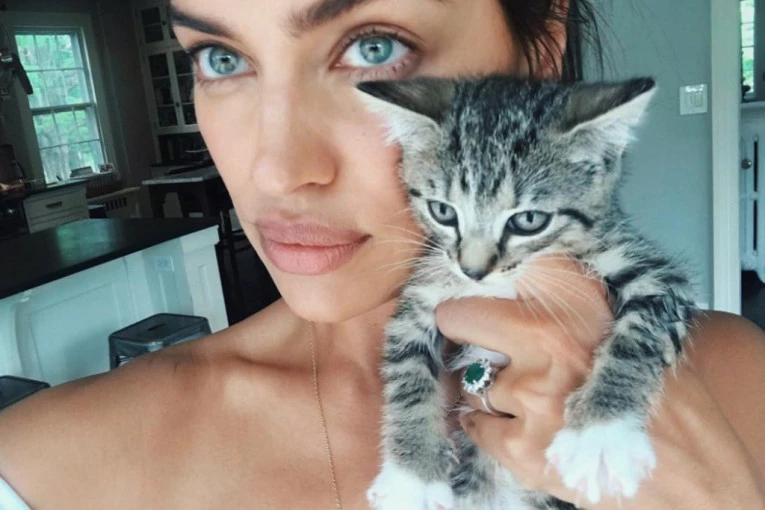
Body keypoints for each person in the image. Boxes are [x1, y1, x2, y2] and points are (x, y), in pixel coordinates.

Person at [1, 0, 764, 508]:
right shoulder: (37, 467)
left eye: (374, 47)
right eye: (220, 58)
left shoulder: (733, 382)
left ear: (539, 52)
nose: (277, 172)